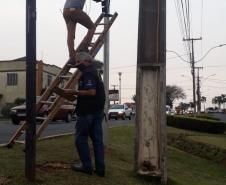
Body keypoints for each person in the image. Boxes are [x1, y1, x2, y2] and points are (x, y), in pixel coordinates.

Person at [58, 52, 106, 177]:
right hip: (97, 111)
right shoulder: (95, 71)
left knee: (80, 139)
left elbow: (91, 92)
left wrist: (74, 92)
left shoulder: (88, 72)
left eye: (78, 61)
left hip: (87, 112)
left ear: (85, 61)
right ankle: (100, 170)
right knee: (97, 140)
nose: (77, 63)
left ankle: (87, 166)